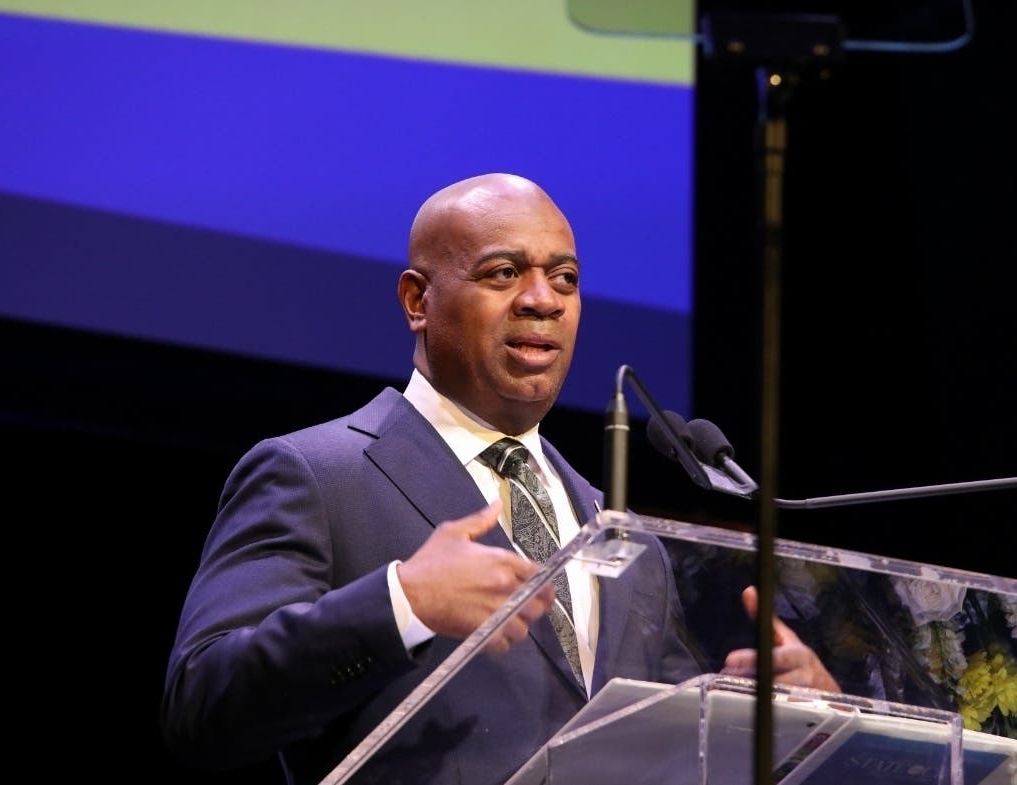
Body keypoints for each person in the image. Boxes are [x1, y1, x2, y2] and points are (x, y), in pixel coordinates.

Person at [160, 172, 839, 785]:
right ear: (417, 300)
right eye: (504, 272)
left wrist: (775, 716)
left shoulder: (622, 536)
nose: (542, 300)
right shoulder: (316, 474)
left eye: (565, 278)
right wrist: (402, 603)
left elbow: (661, 750)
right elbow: (203, 703)